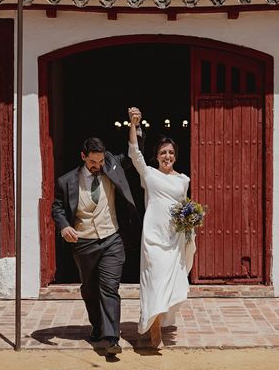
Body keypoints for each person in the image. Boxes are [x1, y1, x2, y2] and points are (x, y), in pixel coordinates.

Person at [51, 109, 144, 356]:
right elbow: (57, 208)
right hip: (84, 243)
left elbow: (134, 152)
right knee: (90, 290)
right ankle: (97, 326)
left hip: (112, 239)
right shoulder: (66, 181)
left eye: (100, 161)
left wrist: (136, 125)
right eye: (93, 162)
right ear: (83, 157)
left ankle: (112, 337)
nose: (97, 166)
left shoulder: (112, 165)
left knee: (109, 286)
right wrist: (65, 226)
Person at [128, 109, 196, 347]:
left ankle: (159, 320)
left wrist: (191, 222)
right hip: (153, 236)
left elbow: (185, 205)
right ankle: (152, 324)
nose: (166, 156)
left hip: (174, 237)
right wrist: (133, 125)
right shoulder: (149, 174)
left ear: (175, 156)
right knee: (154, 278)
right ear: (156, 156)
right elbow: (135, 154)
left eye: (170, 152)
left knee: (170, 281)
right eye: (162, 152)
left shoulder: (183, 180)